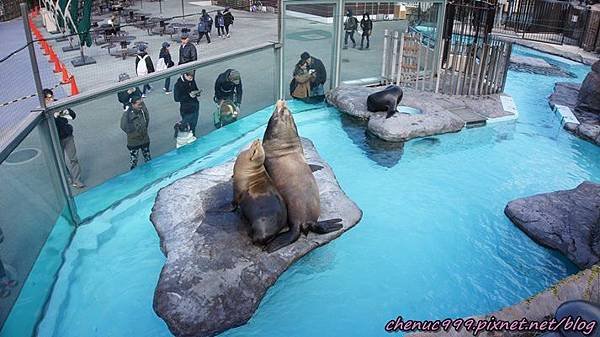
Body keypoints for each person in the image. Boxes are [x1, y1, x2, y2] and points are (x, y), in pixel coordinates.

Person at [43, 88, 86, 189]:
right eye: (48, 98)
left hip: (67, 136)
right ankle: (67, 177)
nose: (51, 100)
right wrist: (53, 117)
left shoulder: (59, 104)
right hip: (55, 138)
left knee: (73, 158)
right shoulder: (43, 110)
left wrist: (64, 112)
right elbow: (46, 125)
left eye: (51, 97)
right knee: (60, 160)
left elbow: (73, 115)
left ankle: (77, 180)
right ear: (44, 100)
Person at [120, 97, 151, 170]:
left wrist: (144, 129)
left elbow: (147, 118)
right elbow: (123, 126)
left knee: (148, 159)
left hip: (144, 139)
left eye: (142, 104)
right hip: (134, 142)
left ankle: (150, 173)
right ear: (133, 104)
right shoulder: (127, 114)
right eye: (139, 104)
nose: (141, 106)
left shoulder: (142, 111)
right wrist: (132, 133)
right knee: (134, 162)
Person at [174, 72, 202, 136]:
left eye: (192, 77)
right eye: (190, 77)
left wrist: (197, 93)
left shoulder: (192, 80)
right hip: (186, 109)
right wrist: (189, 95)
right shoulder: (178, 85)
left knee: (193, 126)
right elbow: (176, 98)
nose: (191, 78)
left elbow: (195, 88)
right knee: (187, 126)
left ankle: (192, 135)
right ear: (185, 75)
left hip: (195, 106)